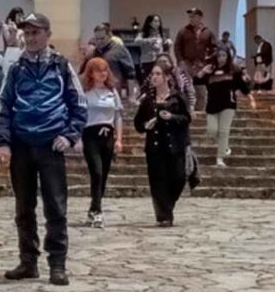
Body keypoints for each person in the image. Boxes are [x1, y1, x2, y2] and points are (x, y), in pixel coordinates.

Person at [0, 13, 85, 287]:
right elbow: (3, 107)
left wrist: (69, 135)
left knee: (55, 207)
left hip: (50, 145)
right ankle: (28, 262)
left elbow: (79, 105)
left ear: (48, 34)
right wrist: (3, 142)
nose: (31, 38)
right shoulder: (16, 69)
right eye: (28, 33)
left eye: (36, 32)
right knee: (24, 207)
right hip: (21, 145)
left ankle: (57, 264)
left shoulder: (61, 66)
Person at [136, 63, 191, 226]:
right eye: (152, 74)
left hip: (174, 145)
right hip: (155, 146)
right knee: (157, 181)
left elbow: (187, 118)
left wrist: (172, 117)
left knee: (178, 178)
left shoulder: (177, 97)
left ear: (166, 77)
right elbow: (138, 123)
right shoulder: (147, 99)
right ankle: (164, 215)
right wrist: (146, 125)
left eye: (158, 74)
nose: (154, 77)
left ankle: (166, 207)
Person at [78, 57, 124, 229]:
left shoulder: (112, 92)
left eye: (105, 70)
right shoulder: (85, 93)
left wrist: (119, 139)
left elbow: (118, 116)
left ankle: (95, 206)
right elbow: (80, 116)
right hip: (91, 135)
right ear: (91, 73)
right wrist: (77, 137)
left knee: (103, 174)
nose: (102, 74)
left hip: (107, 136)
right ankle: (97, 210)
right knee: (96, 172)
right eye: (98, 70)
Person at [198, 48, 249, 167]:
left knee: (223, 131)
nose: (221, 58)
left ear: (228, 57)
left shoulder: (233, 70)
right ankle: (225, 147)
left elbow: (242, 86)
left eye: (223, 55)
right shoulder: (210, 70)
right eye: (219, 56)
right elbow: (197, 80)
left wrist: (248, 92)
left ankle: (220, 158)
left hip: (228, 103)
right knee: (212, 130)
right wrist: (203, 71)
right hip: (212, 104)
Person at [173, 8, 214, 104]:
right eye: (190, 16)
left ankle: (200, 110)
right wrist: (181, 61)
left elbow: (214, 48)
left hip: (201, 66)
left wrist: (208, 62)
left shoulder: (208, 32)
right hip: (186, 64)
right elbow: (177, 47)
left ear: (200, 17)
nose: (191, 18)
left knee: (201, 92)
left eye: (194, 16)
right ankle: (187, 110)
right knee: (186, 90)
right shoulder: (183, 31)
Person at [135, 15, 169, 85]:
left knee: (159, 82)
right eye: (155, 21)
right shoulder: (143, 34)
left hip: (158, 61)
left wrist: (167, 43)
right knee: (147, 82)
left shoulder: (161, 34)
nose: (158, 23)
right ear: (150, 23)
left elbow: (164, 46)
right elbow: (136, 41)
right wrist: (149, 40)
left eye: (158, 21)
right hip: (147, 61)